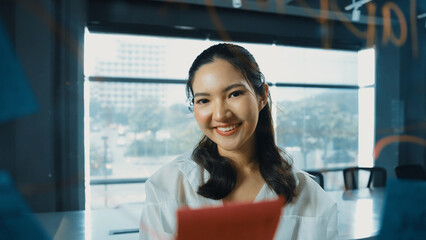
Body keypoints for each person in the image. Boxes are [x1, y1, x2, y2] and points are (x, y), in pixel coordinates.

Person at [139, 43, 338, 240]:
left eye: (234, 94)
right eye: (204, 100)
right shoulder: (167, 186)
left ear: (262, 96)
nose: (220, 115)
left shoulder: (311, 198)